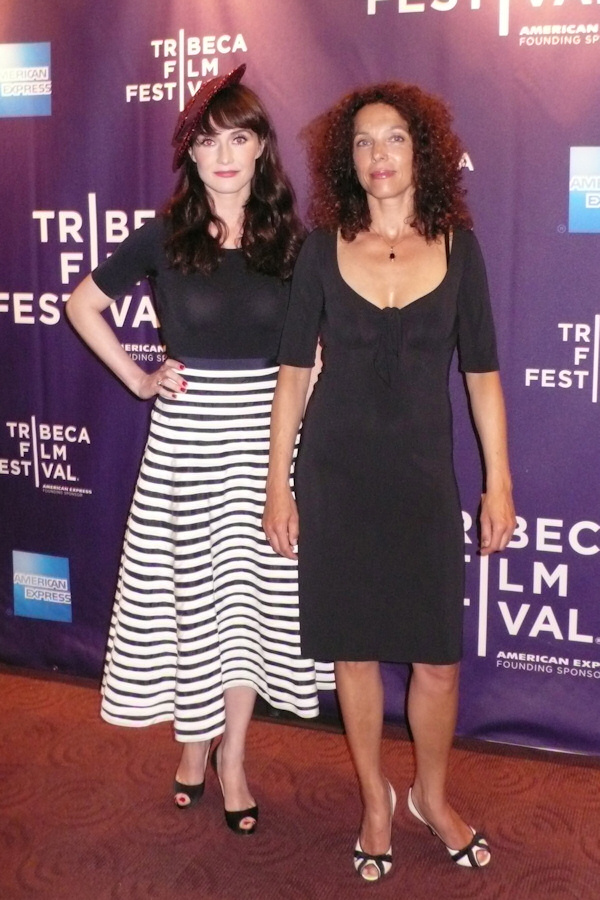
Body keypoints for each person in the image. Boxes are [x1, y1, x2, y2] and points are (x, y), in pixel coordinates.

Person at [66, 64, 333, 836]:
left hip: (266, 446)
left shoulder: (294, 244)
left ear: (261, 150)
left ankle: (233, 758)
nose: (224, 155)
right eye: (209, 141)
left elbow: (314, 352)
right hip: (187, 448)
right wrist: (139, 378)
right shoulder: (164, 236)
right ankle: (193, 745)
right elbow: (82, 304)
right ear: (191, 152)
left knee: (248, 609)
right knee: (196, 607)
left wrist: (296, 431)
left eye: (239, 139)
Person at [263, 81, 516, 878]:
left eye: (395, 138)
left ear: (422, 151)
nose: (379, 154)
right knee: (356, 652)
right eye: (364, 141)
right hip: (337, 477)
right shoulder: (320, 250)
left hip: (422, 482)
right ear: (348, 158)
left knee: (438, 660)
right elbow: (293, 373)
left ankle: (429, 798)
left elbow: (482, 374)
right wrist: (278, 484)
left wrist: (499, 481)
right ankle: (376, 800)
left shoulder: (461, 249)